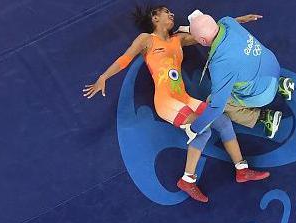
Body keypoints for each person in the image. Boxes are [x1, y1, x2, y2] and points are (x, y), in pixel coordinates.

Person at [83, 5, 270, 203]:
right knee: (203, 130)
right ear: (155, 17)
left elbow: (212, 33)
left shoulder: (178, 39)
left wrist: (238, 20)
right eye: (165, 11)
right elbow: (124, 59)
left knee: (222, 121)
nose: (171, 13)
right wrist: (103, 77)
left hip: (185, 98)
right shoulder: (146, 40)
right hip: (166, 102)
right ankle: (187, 179)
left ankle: (242, 170)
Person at [182, 10, 295, 144]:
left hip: (263, 93)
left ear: (202, 40)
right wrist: (243, 19)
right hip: (273, 66)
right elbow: (233, 21)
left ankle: (265, 117)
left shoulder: (219, 64)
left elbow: (216, 108)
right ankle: (281, 85)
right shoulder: (227, 21)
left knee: (213, 100)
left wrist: (194, 129)